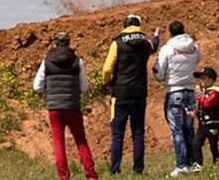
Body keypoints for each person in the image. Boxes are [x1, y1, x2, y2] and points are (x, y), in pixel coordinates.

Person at [33, 31, 99, 180]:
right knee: (81, 141)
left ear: (55, 43)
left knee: (58, 143)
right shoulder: (77, 61)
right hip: (73, 107)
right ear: (69, 43)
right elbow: (84, 87)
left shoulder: (46, 62)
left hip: (55, 109)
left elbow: (37, 87)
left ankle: (63, 176)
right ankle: (91, 174)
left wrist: (48, 91)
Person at [102, 14, 160, 175]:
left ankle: (115, 170)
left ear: (125, 25)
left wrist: (106, 82)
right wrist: (156, 37)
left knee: (117, 135)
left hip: (120, 93)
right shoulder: (145, 42)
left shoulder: (118, 42)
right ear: (138, 25)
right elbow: (154, 47)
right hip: (139, 93)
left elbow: (107, 68)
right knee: (138, 133)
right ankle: (138, 169)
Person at [152, 21, 201, 177]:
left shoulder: (167, 49)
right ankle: (193, 162)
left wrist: (158, 72)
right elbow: (196, 62)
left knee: (177, 131)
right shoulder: (195, 47)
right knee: (189, 129)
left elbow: (158, 73)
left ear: (170, 33)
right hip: (190, 92)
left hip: (174, 93)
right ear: (183, 30)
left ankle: (181, 165)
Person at [191, 67, 219, 168]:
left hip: (213, 124)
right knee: (196, 144)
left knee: (213, 145)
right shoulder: (204, 92)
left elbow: (207, 103)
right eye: (200, 78)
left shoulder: (214, 92)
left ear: (211, 79)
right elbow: (201, 107)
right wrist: (194, 113)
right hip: (202, 125)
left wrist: (199, 93)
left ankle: (217, 164)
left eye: (203, 77)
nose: (201, 80)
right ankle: (198, 164)